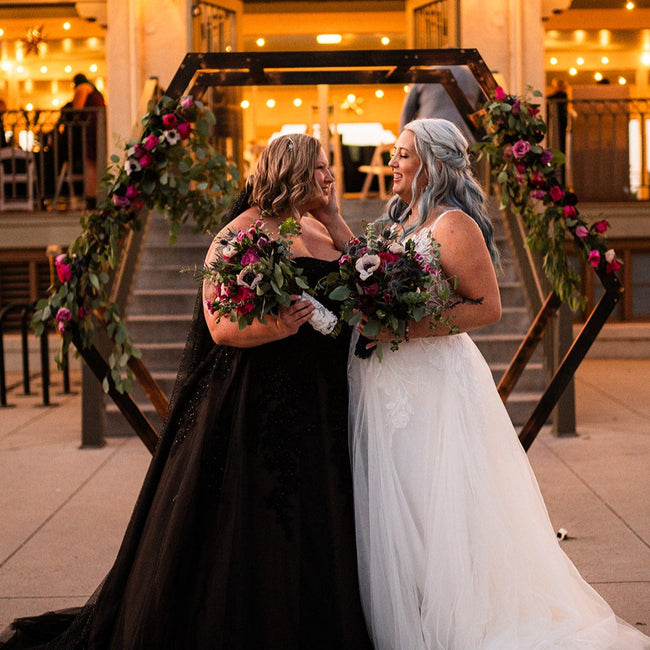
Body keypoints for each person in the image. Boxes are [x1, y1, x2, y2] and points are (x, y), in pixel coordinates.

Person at [0, 133, 372, 649]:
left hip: (322, 394)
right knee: (264, 516)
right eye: (321, 171)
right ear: (291, 174)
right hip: (260, 401)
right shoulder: (237, 235)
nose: (331, 179)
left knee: (319, 510)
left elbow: (362, 279)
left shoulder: (318, 226)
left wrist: (334, 220)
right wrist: (278, 327)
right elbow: (220, 327)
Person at [347, 118, 650, 649]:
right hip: (397, 384)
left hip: (434, 383)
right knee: (404, 505)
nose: (390, 162)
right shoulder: (401, 223)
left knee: (439, 500)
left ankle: (460, 620)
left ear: (433, 164)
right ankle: (416, 613)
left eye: (401, 154)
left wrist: (401, 327)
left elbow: (488, 307)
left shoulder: (453, 224)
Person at [398, 65, 484, 142]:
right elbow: (489, 106)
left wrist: (403, 145)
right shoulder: (472, 76)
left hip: (428, 137)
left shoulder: (423, 76)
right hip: (463, 138)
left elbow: (407, 113)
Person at [70, 73, 106, 209]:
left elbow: (77, 108)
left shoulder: (82, 88)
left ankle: (91, 196)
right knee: (96, 161)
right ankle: (95, 195)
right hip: (97, 125)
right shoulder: (93, 90)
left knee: (90, 161)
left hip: (91, 126)